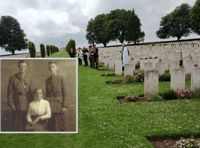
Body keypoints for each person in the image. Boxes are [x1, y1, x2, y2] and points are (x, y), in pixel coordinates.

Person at [7, 60, 33, 131]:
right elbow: (9, 93)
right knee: (16, 124)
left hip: (26, 103)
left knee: (25, 124)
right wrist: (11, 104)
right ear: (18, 67)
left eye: (24, 66)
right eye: (21, 66)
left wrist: (31, 105)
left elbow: (31, 93)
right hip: (16, 103)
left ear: (26, 68)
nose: (22, 68)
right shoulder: (13, 78)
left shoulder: (29, 78)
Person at [45, 61, 68, 131]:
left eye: (53, 67)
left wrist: (64, 106)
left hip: (59, 105)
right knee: (51, 127)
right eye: (50, 67)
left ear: (56, 68)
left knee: (63, 127)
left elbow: (65, 93)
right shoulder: (47, 81)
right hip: (50, 105)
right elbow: (47, 94)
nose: (51, 69)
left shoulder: (61, 78)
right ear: (48, 69)